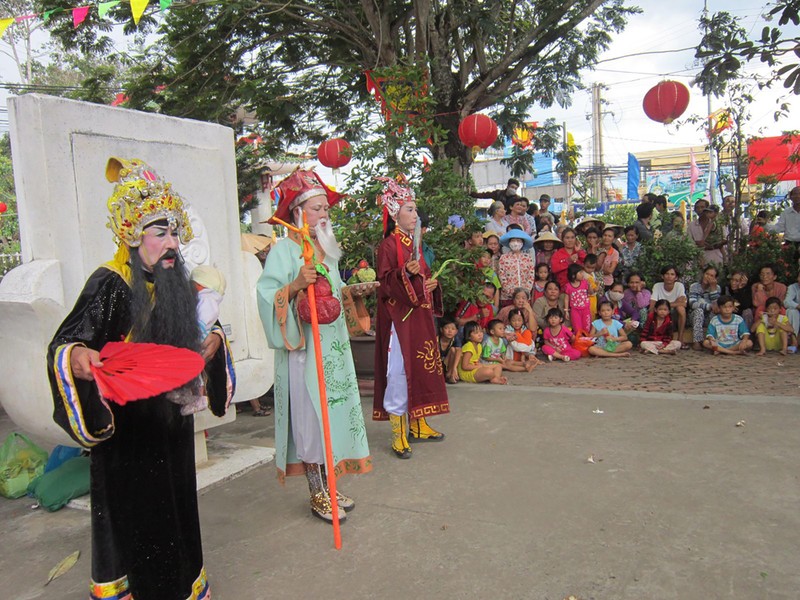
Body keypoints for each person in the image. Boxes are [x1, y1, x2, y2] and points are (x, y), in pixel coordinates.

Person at [47, 157, 236, 599]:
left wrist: (213, 345)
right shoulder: (110, 282)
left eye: (174, 232)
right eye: (160, 232)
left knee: (177, 505)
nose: (172, 244)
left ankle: (183, 583)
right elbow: (64, 343)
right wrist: (77, 357)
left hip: (171, 423)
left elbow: (201, 328)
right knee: (139, 516)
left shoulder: (176, 279)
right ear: (134, 236)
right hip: (129, 432)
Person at [257, 169, 371, 521]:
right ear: (297, 214)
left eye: (326, 209)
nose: (324, 215)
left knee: (332, 416)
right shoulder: (284, 251)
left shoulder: (329, 252)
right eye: (317, 208)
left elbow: (335, 298)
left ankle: (330, 485)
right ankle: (317, 492)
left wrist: (353, 295)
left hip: (333, 352)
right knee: (309, 421)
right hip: (304, 353)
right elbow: (266, 296)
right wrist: (293, 286)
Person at [373, 176, 449, 459]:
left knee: (422, 367)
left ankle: (418, 424)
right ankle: (398, 432)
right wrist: (406, 273)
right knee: (398, 371)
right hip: (399, 320)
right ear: (395, 214)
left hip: (419, 317)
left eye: (415, 209)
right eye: (409, 209)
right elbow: (386, 283)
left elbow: (424, 277)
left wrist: (430, 284)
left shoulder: (415, 242)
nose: (415, 214)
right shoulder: (389, 246)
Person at [649, 265, 688, 347]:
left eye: (672, 274)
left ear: (676, 277)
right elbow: (652, 305)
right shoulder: (657, 286)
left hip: (674, 315)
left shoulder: (679, 286)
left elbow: (684, 304)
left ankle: (680, 338)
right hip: (660, 315)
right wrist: (675, 302)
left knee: (681, 309)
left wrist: (663, 305)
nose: (669, 277)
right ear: (662, 276)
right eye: (667, 274)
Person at [497, 229, 536, 306]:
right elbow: (502, 276)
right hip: (507, 297)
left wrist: (525, 292)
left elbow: (531, 276)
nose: (515, 243)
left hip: (524, 297)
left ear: (522, 243)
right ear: (509, 243)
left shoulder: (528, 258)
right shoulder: (503, 258)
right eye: (513, 240)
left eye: (518, 240)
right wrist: (511, 292)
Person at [689, 265, 722, 350]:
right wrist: (709, 306)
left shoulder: (717, 288)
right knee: (699, 311)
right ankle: (697, 341)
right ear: (703, 274)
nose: (708, 277)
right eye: (707, 274)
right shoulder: (694, 286)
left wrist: (713, 289)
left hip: (709, 317)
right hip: (695, 317)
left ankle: (712, 341)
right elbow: (692, 304)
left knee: (714, 313)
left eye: (712, 276)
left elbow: (716, 307)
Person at [770, 186, 800, 263]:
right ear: (791, 197)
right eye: (795, 194)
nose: (798, 196)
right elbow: (778, 228)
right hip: (790, 246)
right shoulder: (786, 213)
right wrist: (765, 225)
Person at [563, 263, 592, 333]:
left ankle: (587, 341)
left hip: (586, 309)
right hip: (575, 311)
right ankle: (579, 341)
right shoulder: (568, 286)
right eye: (580, 273)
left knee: (587, 327)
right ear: (573, 275)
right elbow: (566, 299)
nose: (583, 275)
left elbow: (591, 292)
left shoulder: (584, 283)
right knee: (577, 328)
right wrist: (566, 311)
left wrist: (590, 286)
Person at [438, 317, 461, 384]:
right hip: (437, 365)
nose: (450, 331)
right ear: (441, 329)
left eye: (453, 329)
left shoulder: (455, 339)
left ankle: (450, 375)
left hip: (447, 366)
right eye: (447, 328)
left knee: (453, 350)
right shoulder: (436, 339)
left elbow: (459, 351)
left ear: (456, 331)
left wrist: (454, 368)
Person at [784, 270, 800, 336]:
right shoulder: (793, 287)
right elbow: (786, 302)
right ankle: (793, 338)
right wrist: (798, 306)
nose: (799, 279)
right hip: (798, 313)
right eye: (799, 276)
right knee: (791, 311)